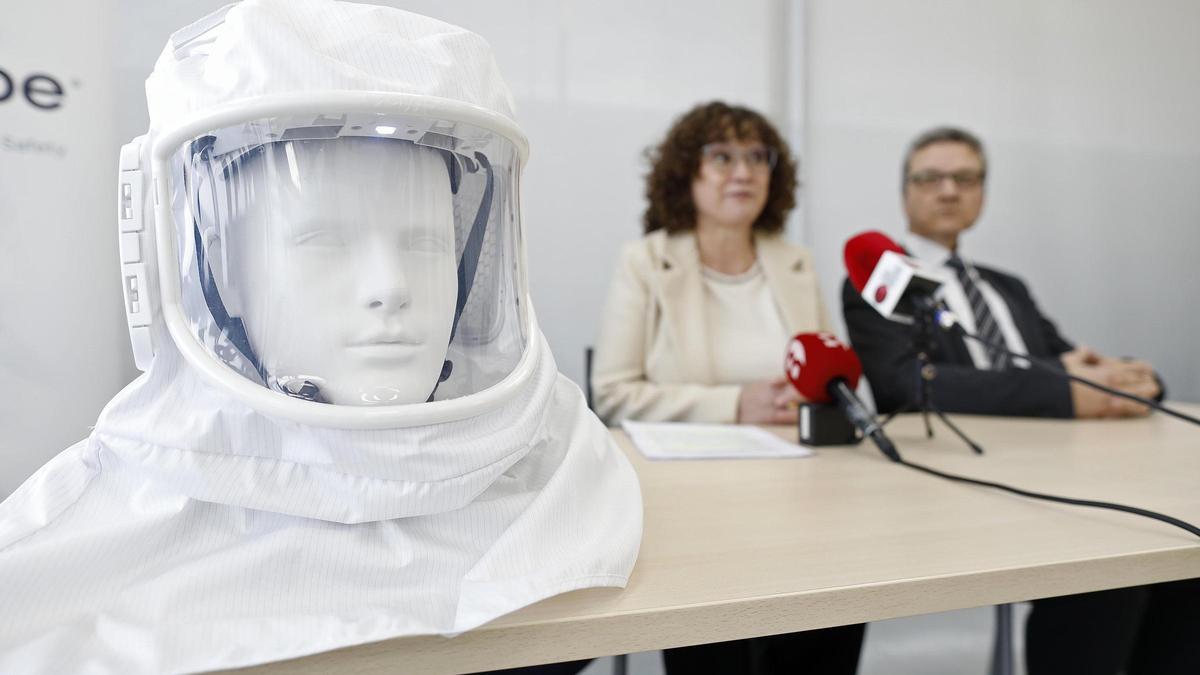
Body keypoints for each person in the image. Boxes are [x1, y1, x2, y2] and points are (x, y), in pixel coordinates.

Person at [0, 2, 642, 673]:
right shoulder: (78, 556)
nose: (389, 286)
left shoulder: (557, 465)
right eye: (322, 240)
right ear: (223, 269)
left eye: (426, 242)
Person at [842, 125, 1199, 674]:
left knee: (1177, 559)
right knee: (1109, 576)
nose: (948, 190)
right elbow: (909, 387)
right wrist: (1063, 390)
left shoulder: (1007, 286)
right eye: (930, 178)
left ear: (982, 192)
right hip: (964, 484)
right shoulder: (883, 283)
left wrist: (1126, 379)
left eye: (965, 178)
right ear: (905, 192)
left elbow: (1070, 362)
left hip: (1064, 468)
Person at [594, 101, 862, 674]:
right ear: (685, 172)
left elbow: (831, 377)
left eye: (757, 157)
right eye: (722, 157)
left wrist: (812, 396)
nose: (743, 172)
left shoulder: (797, 264)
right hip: (692, 506)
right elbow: (613, 394)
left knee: (836, 609)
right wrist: (738, 404)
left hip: (804, 494)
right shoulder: (646, 262)